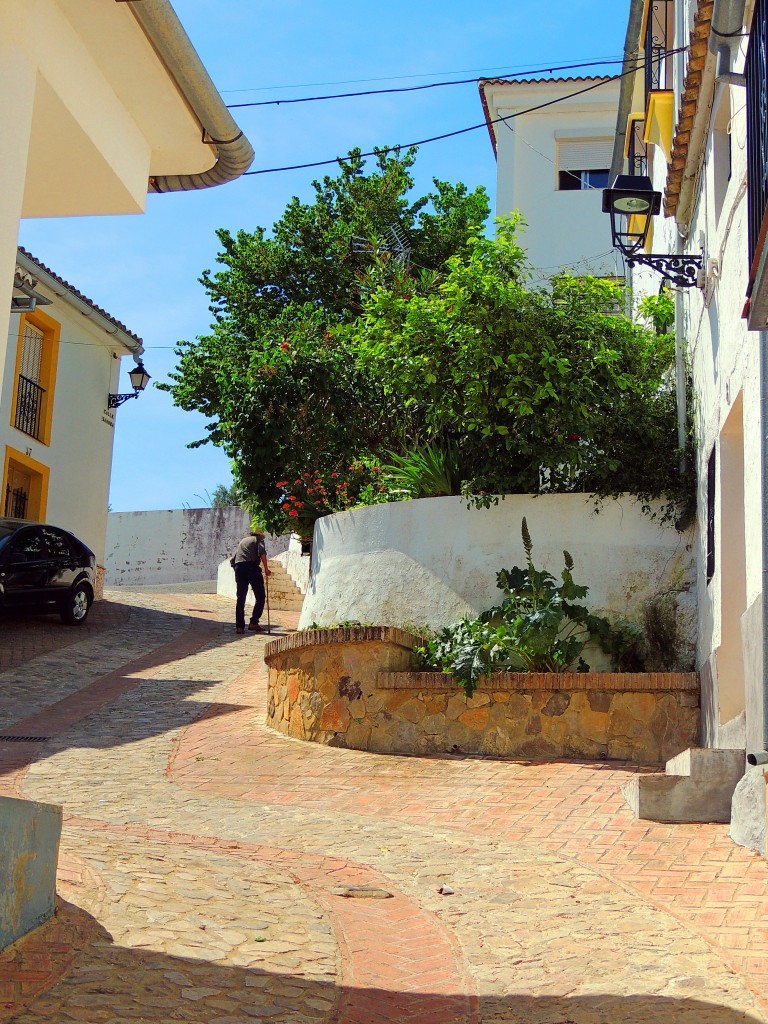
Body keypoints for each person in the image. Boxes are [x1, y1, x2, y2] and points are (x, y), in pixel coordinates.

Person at [231, 526, 271, 634]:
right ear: (260, 535)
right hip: (252, 568)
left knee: (241, 598)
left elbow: (232, 560)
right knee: (260, 596)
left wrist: (237, 569)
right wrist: (266, 569)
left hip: (239, 568)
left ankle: (239, 627)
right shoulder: (259, 540)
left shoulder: (243, 542)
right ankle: (253, 622)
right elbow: (262, 553)